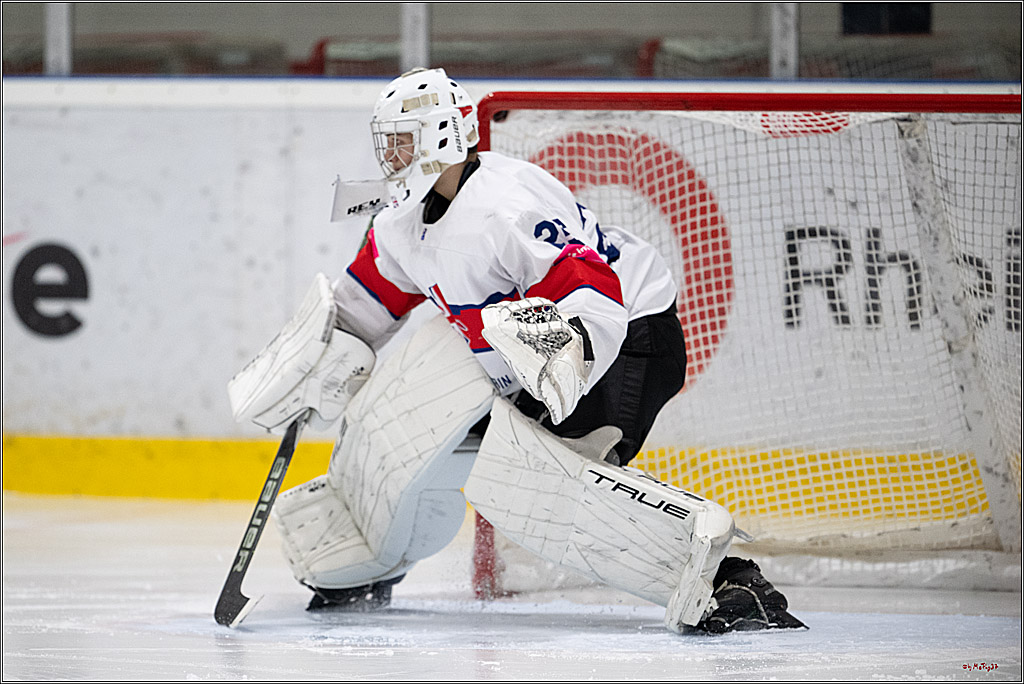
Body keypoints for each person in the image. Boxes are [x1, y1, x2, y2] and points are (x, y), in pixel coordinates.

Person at [229, 68, 804, 634]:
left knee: (537, 481)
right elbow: (368, 301)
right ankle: (364, 557)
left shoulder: (507, 203)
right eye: (388, 144)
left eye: (403, 141)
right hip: (522, 354)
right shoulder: (401, 220)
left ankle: (723, 579)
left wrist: (561, 356)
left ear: (442, 139)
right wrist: (319, 363)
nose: (390, 157)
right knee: (403, 396)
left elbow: (594, 293)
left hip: (627, 338)